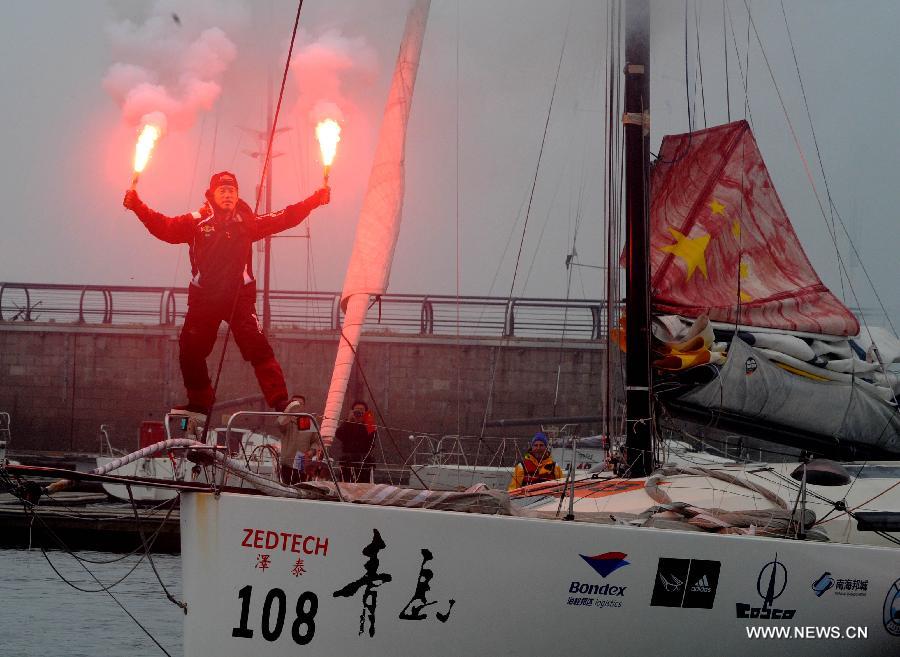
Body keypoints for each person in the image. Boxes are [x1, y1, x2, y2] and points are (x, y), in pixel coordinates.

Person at [123, 172, 330, 421]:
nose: (228, 195)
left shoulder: (248, 222)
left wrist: (315, 200)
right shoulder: (196, 221)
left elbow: (285, 217)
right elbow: (164, 228)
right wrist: (137, 206)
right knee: (190, 351)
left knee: (258, 346)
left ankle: (280, 402)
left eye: (232, 191)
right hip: (204, 300)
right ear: (212, 194)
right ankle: (199, 403)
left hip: (238, 300)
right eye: (222, 191)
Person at [334, 400, 377, 483]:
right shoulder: (348, 422)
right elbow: (339, 435)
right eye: (357, 409)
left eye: (362, 409)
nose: (359, 411)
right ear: (352, 411)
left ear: (366, 411)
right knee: (345, 484)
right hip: (348, 460)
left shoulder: (369, 422)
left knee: (364, 486)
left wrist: (367, 420)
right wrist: (349, 421)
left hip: (364, 460)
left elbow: (372, 439)